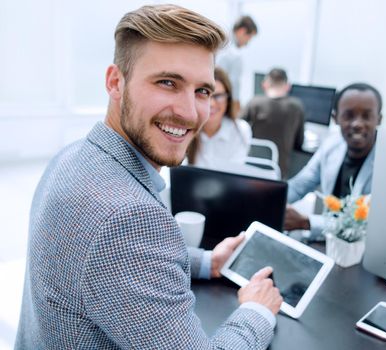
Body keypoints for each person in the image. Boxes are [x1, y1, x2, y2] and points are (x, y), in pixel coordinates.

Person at [15, 5, 282, 349]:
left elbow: (107, 269)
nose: (189, 113)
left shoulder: (71, 157)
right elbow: (122, 247)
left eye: (203, 91)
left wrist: (206, 261)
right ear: (115, 82)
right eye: (167, 82)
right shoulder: (130, 218)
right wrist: (257, 312)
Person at [284, 83, 382, 239]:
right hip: (326, 238)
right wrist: (273, 200)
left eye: (366, 116)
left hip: (359, 246)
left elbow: (367, 223)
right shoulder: (331, 145)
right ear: (335, 118)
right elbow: (299, 185)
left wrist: (307, 222)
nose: (357, 123)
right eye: (349, 115)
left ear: (379, 119)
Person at [241, 68, 305, 179]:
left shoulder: (255, 103)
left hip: (251, 167)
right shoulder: (296, 107)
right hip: (278, 173)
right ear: (287, 86)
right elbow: (299, 143)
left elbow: (237, 129)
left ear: (265, 85)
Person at [187, 67, 252, 168]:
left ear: (228, 99)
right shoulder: (184, 129)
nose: (211, 103)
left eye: (218, 96)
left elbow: (234, 174)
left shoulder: (240, 130)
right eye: (205, 94)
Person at [217, 15, 258, 116]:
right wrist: (236, 110)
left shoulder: (219, 42)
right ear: (242, 31)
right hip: (221, 100)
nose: (247, 43)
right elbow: (234, 84)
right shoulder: (234, 55)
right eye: (249, 38)